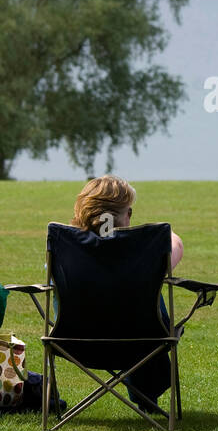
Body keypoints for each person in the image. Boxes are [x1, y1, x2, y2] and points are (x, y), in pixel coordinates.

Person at [69, 175, 183, 415]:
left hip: (74, 343)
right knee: (147, 300)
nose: (131, 217)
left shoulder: (65, 248)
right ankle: (146, 395)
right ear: (118, 215)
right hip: (141, 344)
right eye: (128, 211)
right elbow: (176, 243)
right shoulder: (142, 254)